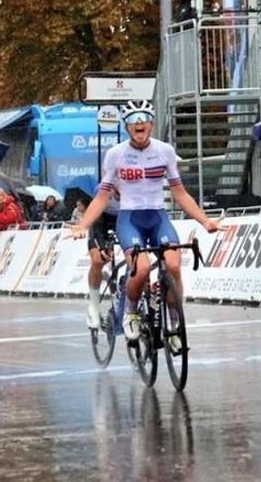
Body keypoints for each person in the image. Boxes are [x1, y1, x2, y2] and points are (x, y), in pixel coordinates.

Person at [70, 100, 220, 344]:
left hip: (158, 217)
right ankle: (131, 312)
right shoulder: (115, 155)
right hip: (130, 219)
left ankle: (174, 324)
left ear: (152, 123)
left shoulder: (164, 151)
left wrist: (205, 221)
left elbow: (180, 194)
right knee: (140, 271)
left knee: (173, 266)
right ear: (126, 126)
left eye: (143, 119)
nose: (138, 124)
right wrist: (83, 225)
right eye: (132, 120)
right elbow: (102, 197)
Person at [83, 191, 119, 329]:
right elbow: (96, 227)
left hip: (123, 222)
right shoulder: (105, 187)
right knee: (98, 260)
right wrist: (102, 247)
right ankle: (93, 305)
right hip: (101, 224)